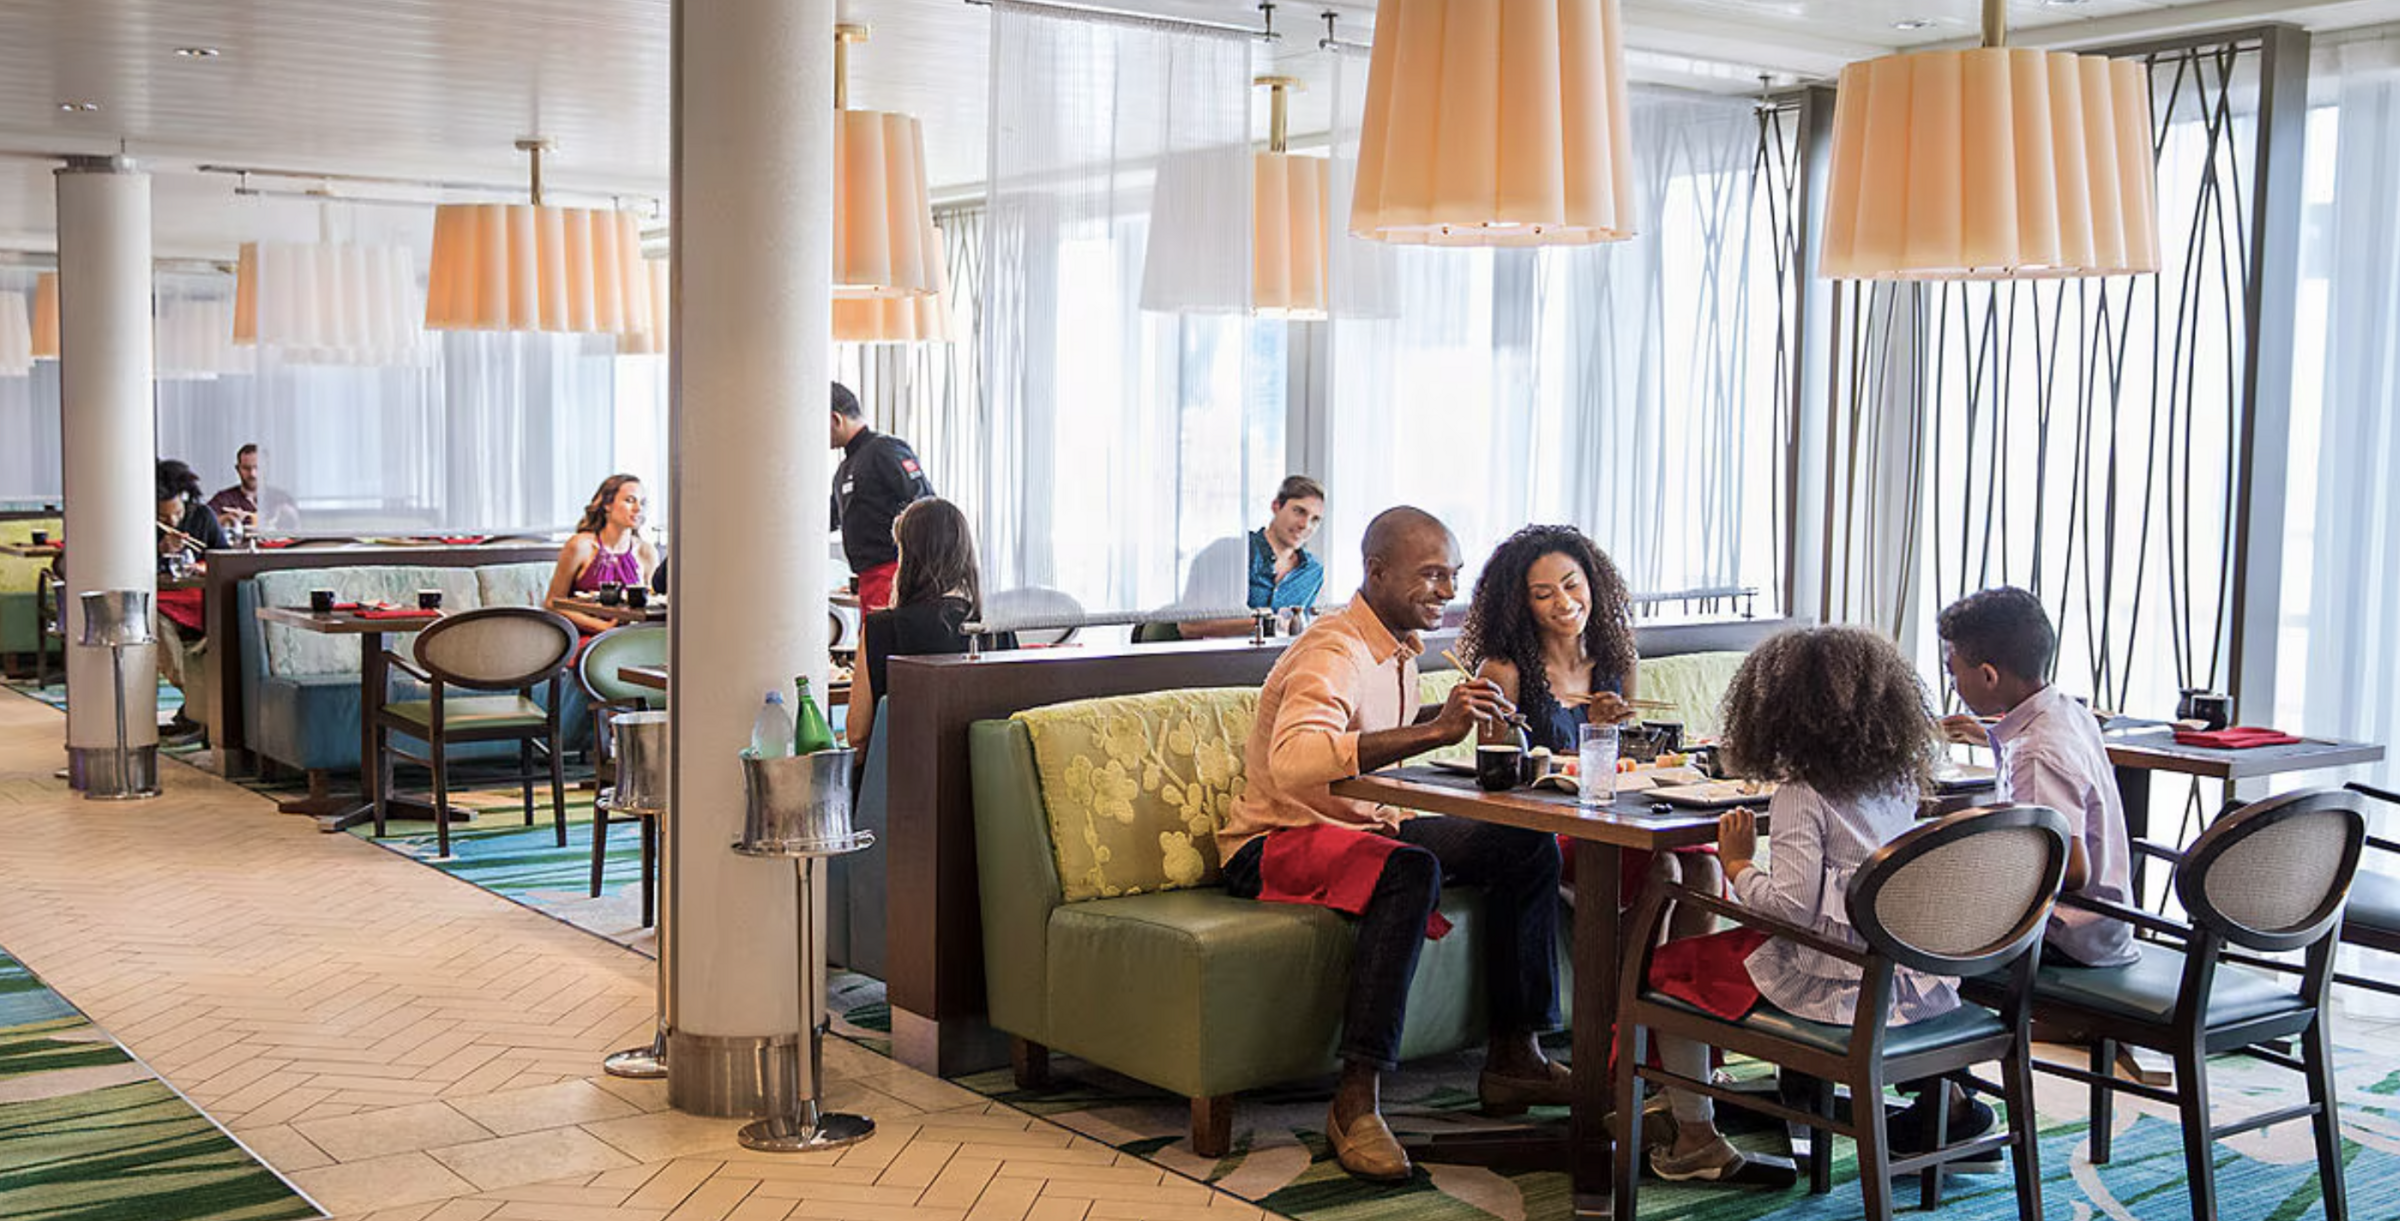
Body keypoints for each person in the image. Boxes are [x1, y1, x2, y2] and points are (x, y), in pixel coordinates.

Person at [1215, 506, 1565, 1183]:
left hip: (1363, 826)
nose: (1445, 590)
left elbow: (1375, 739)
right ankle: (1356, 1098)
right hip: (1276, 840)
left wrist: (1448, 711)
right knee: (1410, 868)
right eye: (1430, 575)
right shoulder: (1335, 648)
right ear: (1376, 571)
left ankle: (1516, 1054)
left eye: (1452, 577)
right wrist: (1434, 734)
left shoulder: (1396, 647)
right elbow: (1296, 761)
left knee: (1527, 844)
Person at [1641, 627, 1952, 1183]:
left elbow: (1790, 912)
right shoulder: (1899, 780)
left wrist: (1737, 864)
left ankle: (1694, 1133)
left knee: (1671, 969)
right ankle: (1691, 1100)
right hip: (1905, 972)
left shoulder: (1800, 794)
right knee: (1714, 955)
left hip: (1836, 979)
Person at [1457, 524, 1724, 940]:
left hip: (1616, 822)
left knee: (1706, 866)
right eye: (1543, 595)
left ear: (1592, 582)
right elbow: (1497, 788)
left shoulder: (1619, 661)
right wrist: (1592, 737)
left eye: (1571, 586)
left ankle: (1677, 998)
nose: (1564, 603)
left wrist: (1612, 734)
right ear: (1520, 604)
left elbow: (1632, 771)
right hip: (1547, 838)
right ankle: (1623, 997)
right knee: (1665, 867)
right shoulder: (1502, 672)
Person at [1938, 588, 2136, 969]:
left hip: (2066, 940)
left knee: (1913, 922)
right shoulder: (2069, 712)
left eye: (1952, 673)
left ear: (1988, 675)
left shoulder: (2035, 754)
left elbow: (2072, 870)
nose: (1953, 685)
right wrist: (1988, 735)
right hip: (2106, 927)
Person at [847, 498, 1015, 758]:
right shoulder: (995, 627)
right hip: (983, 787)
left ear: (907, 556)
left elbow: (857, 736)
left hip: (903, 788)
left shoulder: (883, 628)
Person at [1174, 475, 1328, 638]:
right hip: (1226, 660)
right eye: (1299, 511)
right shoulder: (1229, 554)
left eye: (1315, 519)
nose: (1305, 525)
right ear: (1276, 506)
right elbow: (1189, 626)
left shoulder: (1314, 572)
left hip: (1284, 662)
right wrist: (1262, 623)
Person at [830, 381, 934, 613]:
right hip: (868, 579)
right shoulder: (843, 470)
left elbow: (925, 504)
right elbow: (829, 518)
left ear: (835, 419)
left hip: (894, 572)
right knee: (871, 645)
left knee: (881, 646)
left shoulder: (884, 449)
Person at [546, 474, 658, 635]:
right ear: (607, 504)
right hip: (588, 638)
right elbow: (551, 604)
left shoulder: (646, 551)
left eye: (643, 503)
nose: (638, 508)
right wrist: (602, 627)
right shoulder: (580, 546)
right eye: (630, 500)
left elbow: (653, 605)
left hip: (633, 638)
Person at [206, 443, 299, 533]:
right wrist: (224, 519)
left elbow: (295, 532)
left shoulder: (282, 499)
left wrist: (289, 517)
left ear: (266, 468)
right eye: (246, 468)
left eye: (257, 468)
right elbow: (204, 523)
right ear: (238, 469)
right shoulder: (223, 500)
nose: (252, 474)